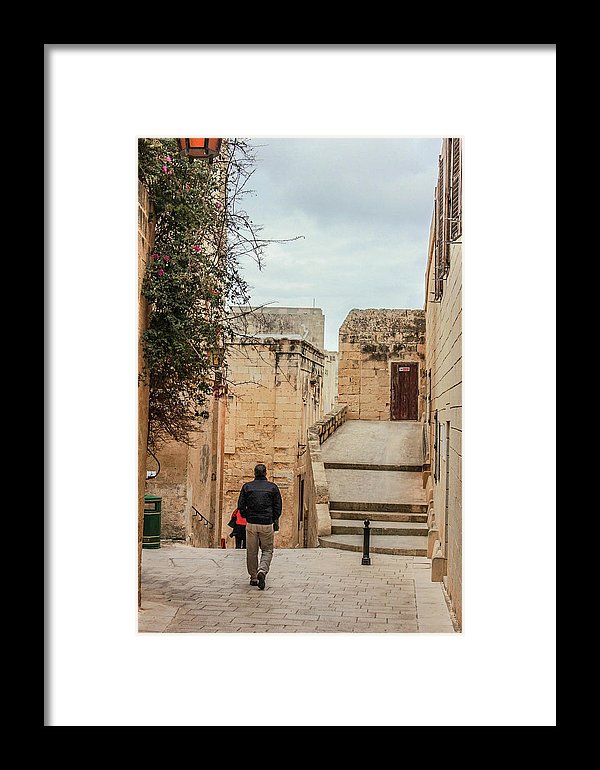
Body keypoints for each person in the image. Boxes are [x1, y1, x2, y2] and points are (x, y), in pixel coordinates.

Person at [236, 463, 282, 590]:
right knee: (267, 550)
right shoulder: (273, 488)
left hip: (251, 523)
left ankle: (254, 577)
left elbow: (240, 506)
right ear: (266, 473)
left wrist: (247, 516)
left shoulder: (247, 487)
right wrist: (272, 518)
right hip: (267, 523)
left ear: (254, 473)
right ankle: (262, 570)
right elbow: (278, 507)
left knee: (251, 551)